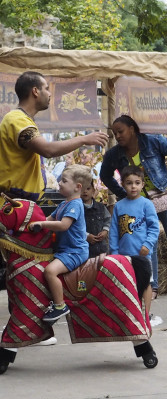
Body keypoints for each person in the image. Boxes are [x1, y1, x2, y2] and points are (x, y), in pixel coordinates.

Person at [100, 115, 167, 296]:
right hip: (138, 204)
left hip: (163, 196)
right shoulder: (114, 154)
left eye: (121, 131)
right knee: (148, 242)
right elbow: (105, 175)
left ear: (132, 129)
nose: (117, 136)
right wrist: (122, 194)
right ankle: (153, 286)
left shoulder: (153, 141)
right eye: (114, 133)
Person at [0, 72, 108, 200]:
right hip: (13, 204)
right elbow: (48, 150)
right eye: (46, 89)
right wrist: (83, 139)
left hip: (22, 202)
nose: (50, 93)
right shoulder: (17, 119)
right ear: (35, 91)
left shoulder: (23, 119)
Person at [28, 165, 92, 322]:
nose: (59, 182)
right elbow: (48, 219)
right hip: (65, 250)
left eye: (64, 180)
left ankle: (59, 306)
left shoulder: (76, 204)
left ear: (77, 187)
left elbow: (63, 225)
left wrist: (42, 225)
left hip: (75, 251)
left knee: (50, 271)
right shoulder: (64, 204)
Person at [109, 165, 159, 317]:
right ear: (123, 184)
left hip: (142, 254)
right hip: (124, 255)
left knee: (145, 283)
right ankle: (131, 311)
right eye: (129, 183)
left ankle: (146, 313)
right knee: (127, 283)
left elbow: (154, 228)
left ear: (142, 184)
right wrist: (114, 252)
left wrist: (148, 244)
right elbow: (114, 231)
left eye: (137, 183)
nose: (133, 186)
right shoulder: (119, 206)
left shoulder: (147, 204)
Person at [82, 177, 110, 258]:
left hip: (101, 248)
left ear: (93, 191)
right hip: (85, 250)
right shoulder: (78, 208)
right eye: (82, 189)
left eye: (88, 188)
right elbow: (74, 226)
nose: (85, 191)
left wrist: (105, 230)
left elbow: (108, 219)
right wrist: (86, 236)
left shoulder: (100, 207)